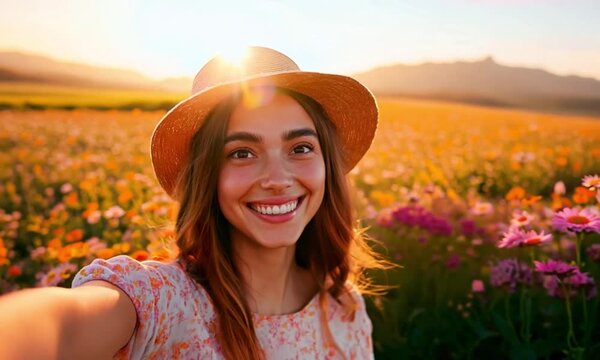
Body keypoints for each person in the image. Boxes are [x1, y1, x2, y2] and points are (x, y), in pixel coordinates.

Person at [0, 46, 389, 359]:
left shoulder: (344, 310)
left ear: (327, 165)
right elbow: (62, 328)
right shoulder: (162, 302)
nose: (277, 179)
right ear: (207, 176)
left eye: (300, 147)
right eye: (241, 152)